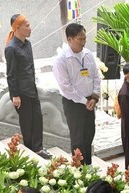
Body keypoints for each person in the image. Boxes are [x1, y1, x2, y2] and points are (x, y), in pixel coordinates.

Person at [53, 23, 101, 164]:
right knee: (77, 137)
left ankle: (88, 164)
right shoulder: (61, 60)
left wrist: (94, 97)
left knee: (89, 133)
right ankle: (79, 168)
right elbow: (65, 87)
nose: (83, 42)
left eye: (84, 38)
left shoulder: (88, 54)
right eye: (80, 39)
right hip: (73, 103)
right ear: (69, 39)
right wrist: (84, 101)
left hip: (90, 101)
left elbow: (96, 77)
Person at [5, 14, 50, 159]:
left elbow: (30, 67)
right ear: (18, 28)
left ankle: (38, 148)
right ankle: (32, 150)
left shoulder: (28, 44)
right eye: (27, 26)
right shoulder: (11, 48)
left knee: (37, 119)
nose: (30, 28)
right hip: (21, 92)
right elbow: (11, 74)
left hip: (31, 89)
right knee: (27, 122)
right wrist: (15, 95)